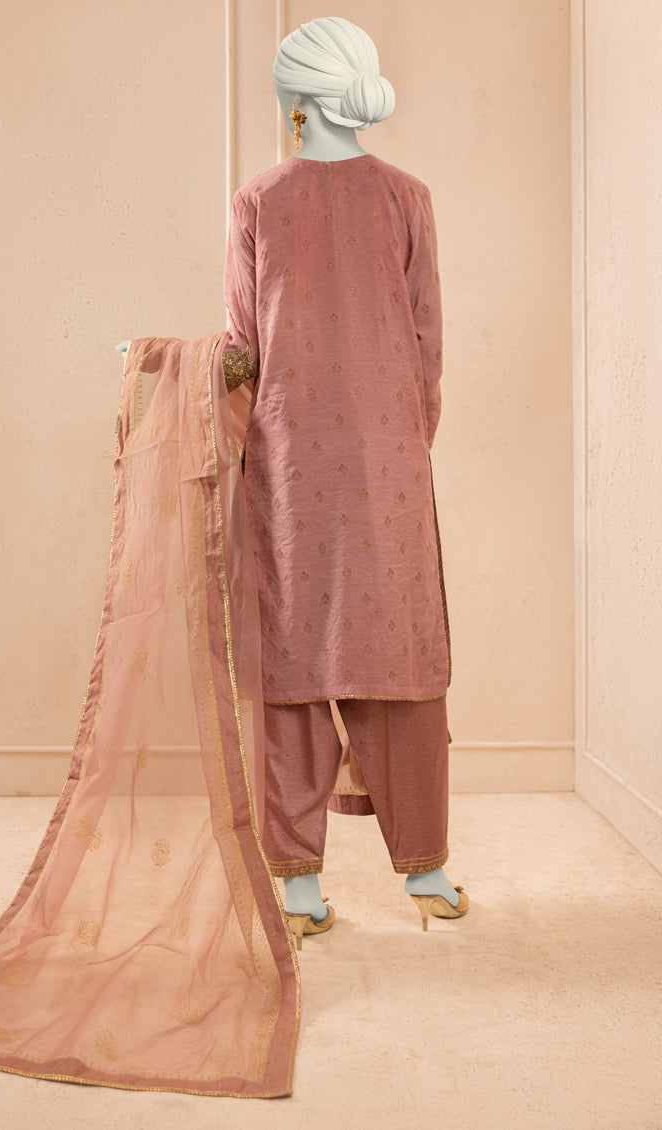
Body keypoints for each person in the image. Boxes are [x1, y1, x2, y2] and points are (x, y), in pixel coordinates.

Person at [219, 16, 469, 941]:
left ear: (297, 99)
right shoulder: (408, 197)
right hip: (389, 458)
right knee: (396, 654)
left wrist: (166, 369)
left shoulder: (257, 200)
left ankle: (298, 893)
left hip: (286, 459)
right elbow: (427, 341)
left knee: (292, 660)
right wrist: (403, 437)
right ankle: (427, 873)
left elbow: (240, 347)